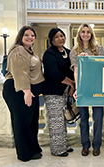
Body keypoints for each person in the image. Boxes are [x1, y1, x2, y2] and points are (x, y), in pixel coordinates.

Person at [2, 26, 45, 161]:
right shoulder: (18, 51)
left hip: (27, 90)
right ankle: (24, 153)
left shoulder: (28, 51)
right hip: (18, 90)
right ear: (21, 36)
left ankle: (32, 149)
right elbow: (20, 73)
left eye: (32, 35)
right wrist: (26, 91)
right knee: (22, 123)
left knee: (30, 122)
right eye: (26, 35)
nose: (30, 37)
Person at [70, 23, 104, 156]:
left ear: (91, 34)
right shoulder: (74, 51)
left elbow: (102, 68)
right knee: (83, 119)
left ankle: (96, 145)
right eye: (83, 32)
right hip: (83, 88)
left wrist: (89, 60)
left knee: (98, 117)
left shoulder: (99, 49)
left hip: (97, 87)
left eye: (88, 32)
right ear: (79, 34)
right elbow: (76, 71)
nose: (86, 34)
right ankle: (85, 145)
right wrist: (78, 89)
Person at [42, 28, 75, 157]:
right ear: (51, 40)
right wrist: (71, 83)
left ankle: (63, 145)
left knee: (63, 119)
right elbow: (53, 73)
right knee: (55, 120)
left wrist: (72, 85)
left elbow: (71, 71)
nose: (60, 38)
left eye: (62, 36)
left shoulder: (67, 52)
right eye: (56, 37)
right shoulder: (49, 53)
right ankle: (57, 150)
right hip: (53, 92)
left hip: (65, 90)